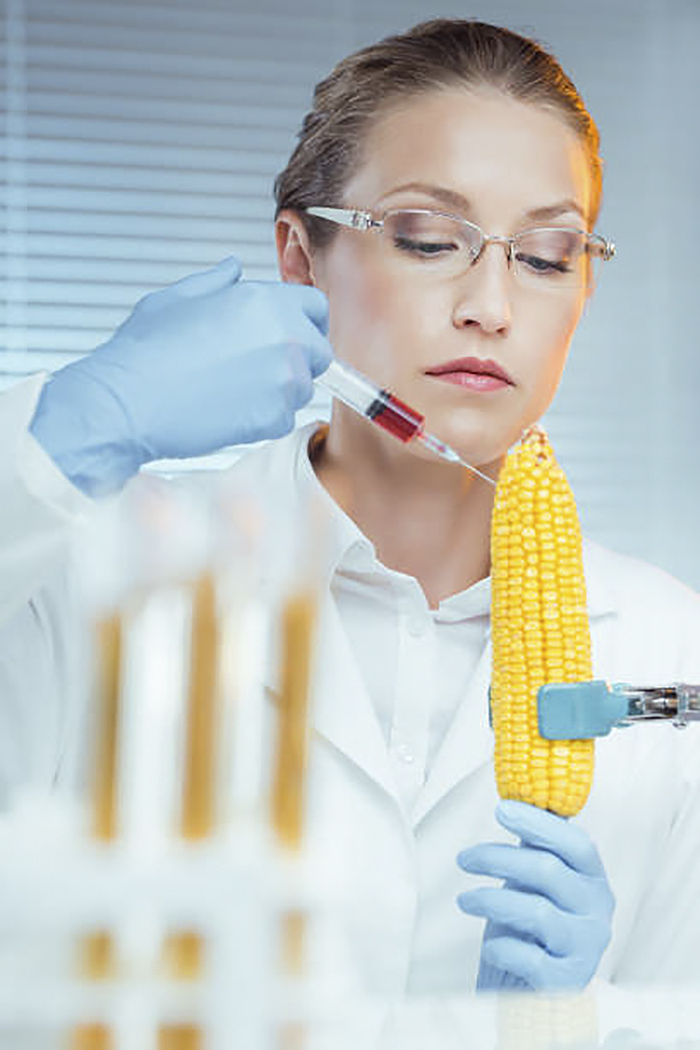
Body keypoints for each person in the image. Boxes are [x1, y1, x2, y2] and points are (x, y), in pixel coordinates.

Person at [1, 18, 699, 996]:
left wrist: (565, 1032)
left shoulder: (669, 654)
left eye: (545, 255)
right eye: (426, 238)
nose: (490, 305)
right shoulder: (95, 575)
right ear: (299, 256)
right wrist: (72, 426)